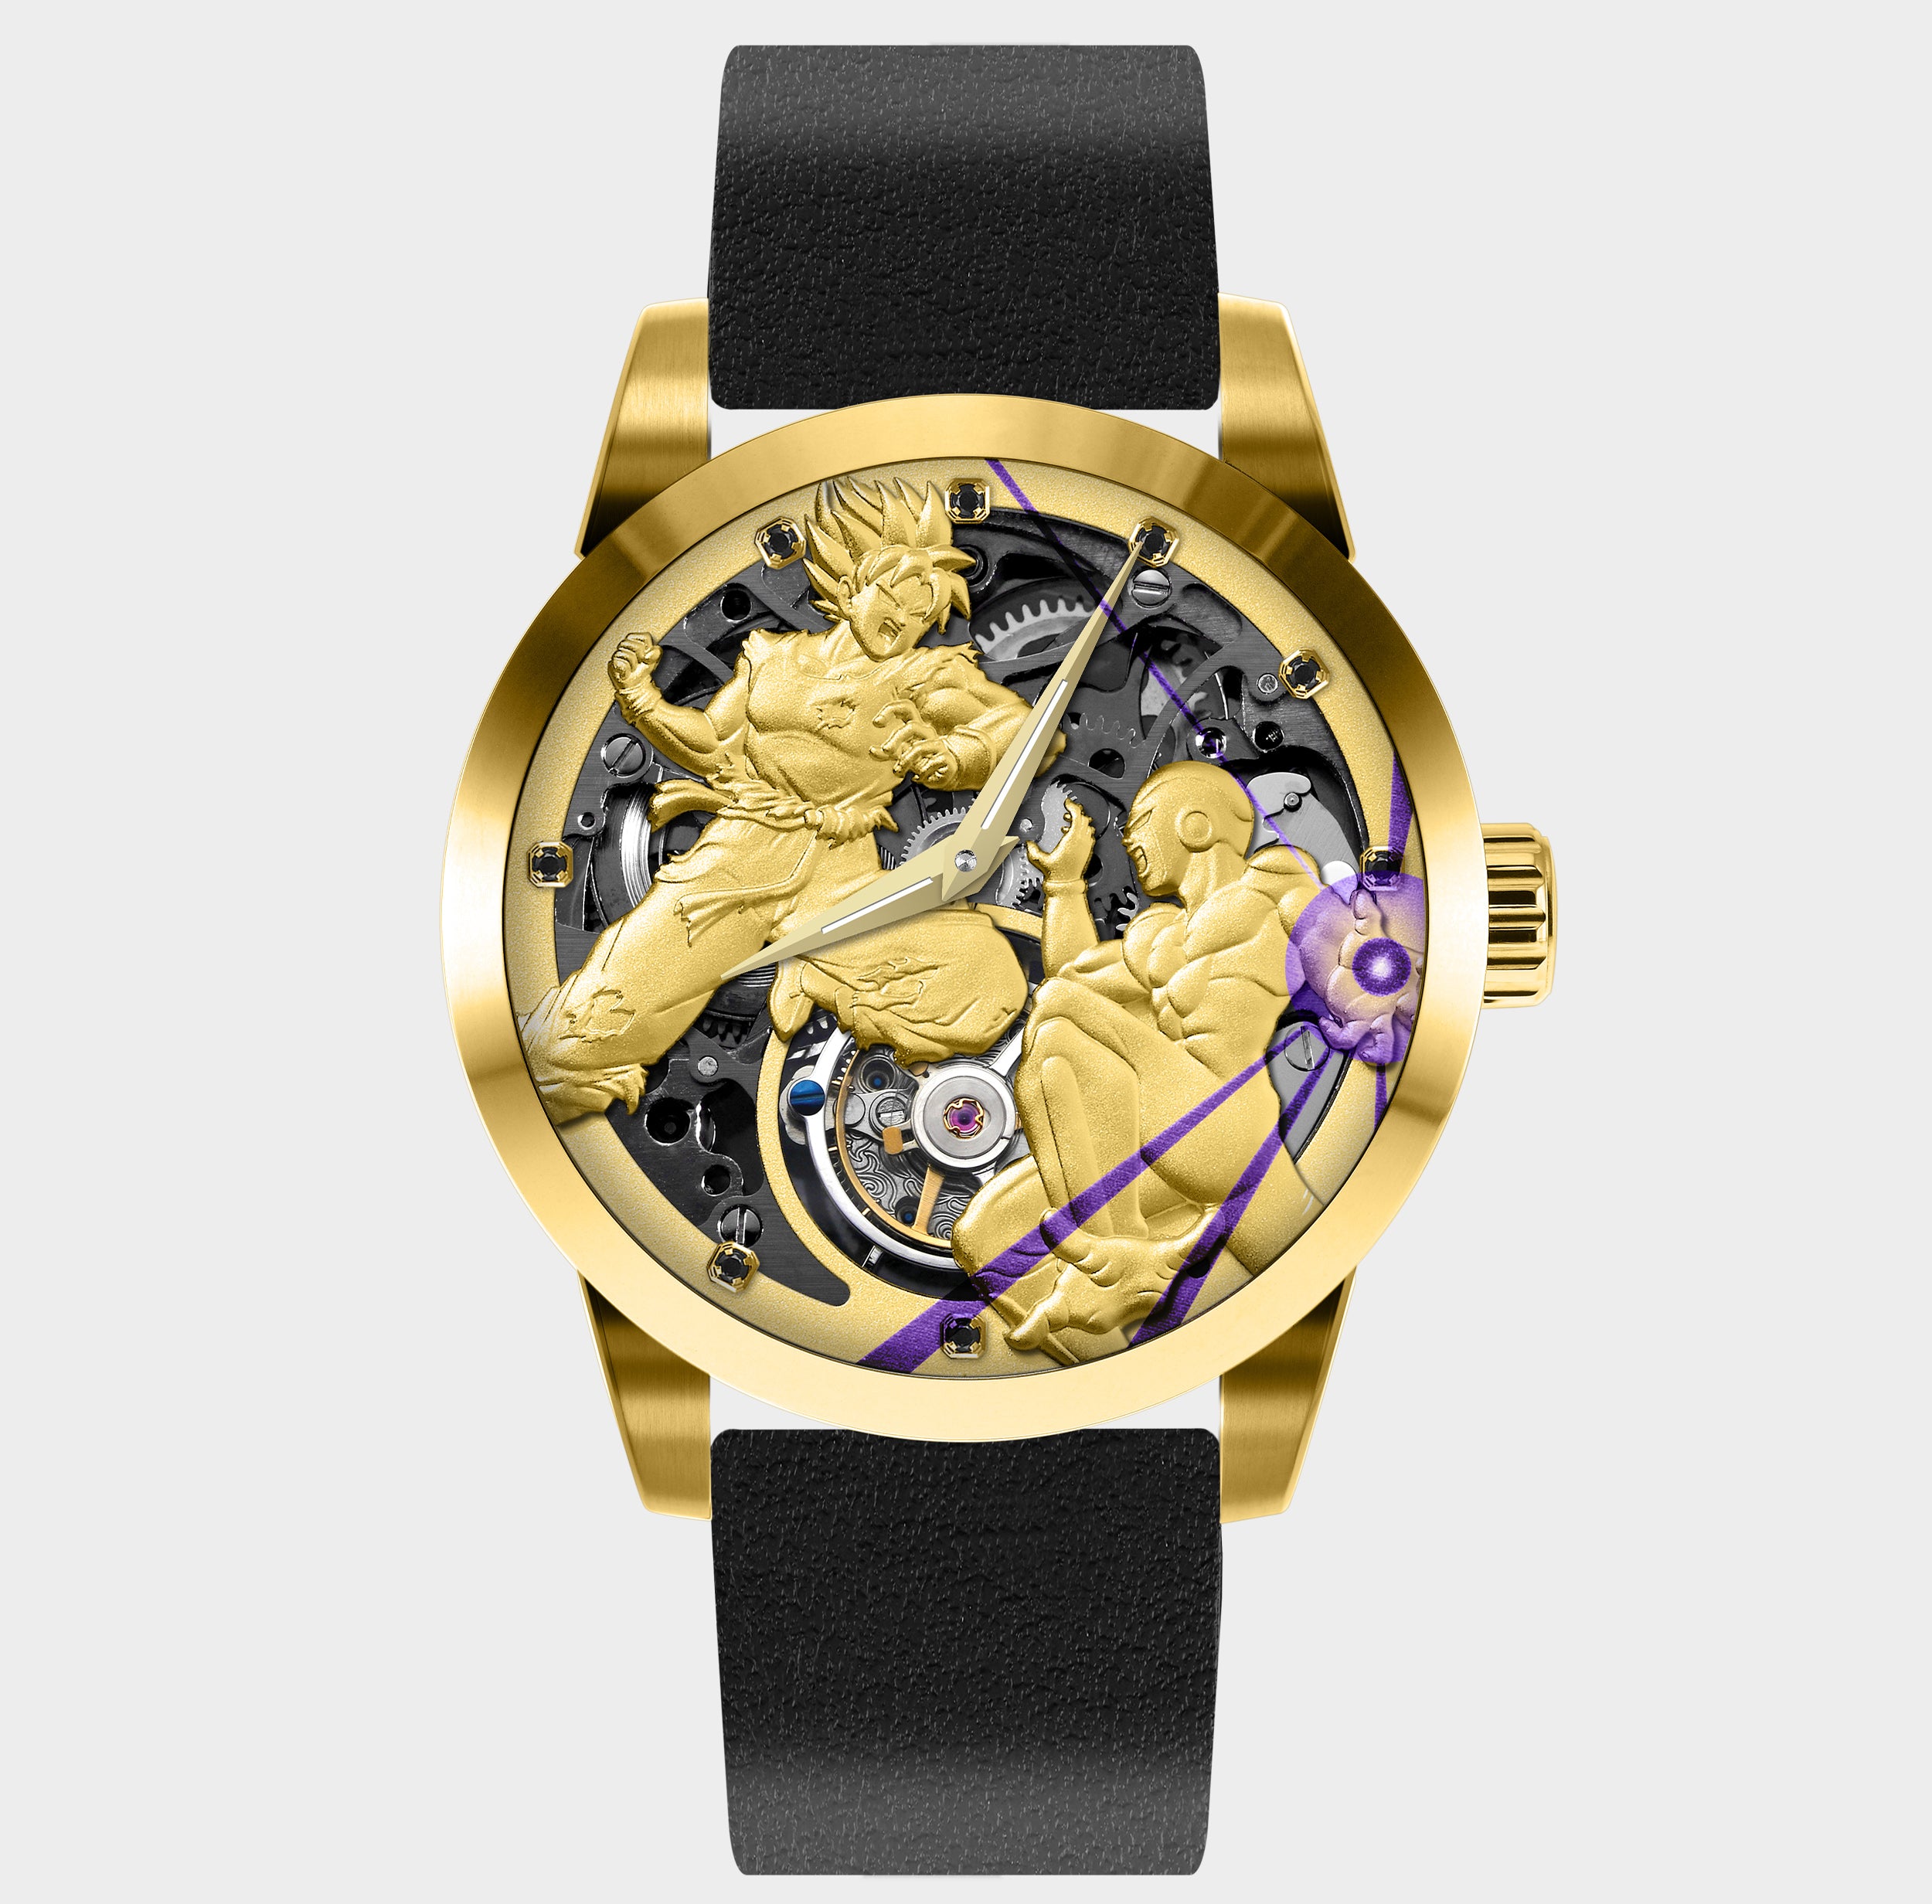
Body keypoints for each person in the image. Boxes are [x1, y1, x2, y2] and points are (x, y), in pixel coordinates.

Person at [520, 478, 1052, 1123]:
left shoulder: (922, 676)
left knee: (990, 979)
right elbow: (712, 746)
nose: (908, 619)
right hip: (735, 859)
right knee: (580, 1036)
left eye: (924, 610)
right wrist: (642, 702)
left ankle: (823, 985)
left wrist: (958, 756)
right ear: (850, 582)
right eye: (897, 593)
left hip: (838, 878)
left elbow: (1026, 729)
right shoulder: (770, 656)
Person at [953, 763, 1328, 1355]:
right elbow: (1073, 975)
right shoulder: (1163, 933)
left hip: (1228, 1117)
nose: (1128, 839)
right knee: (986, 1234)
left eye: (1142, 821)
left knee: (1060, 1012)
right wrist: (1065, 885)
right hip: (1166, 1121)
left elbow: (1351, 950)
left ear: (1195, 825)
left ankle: (1117, 1249)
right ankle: (1125, 1368)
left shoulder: (1274, 887)